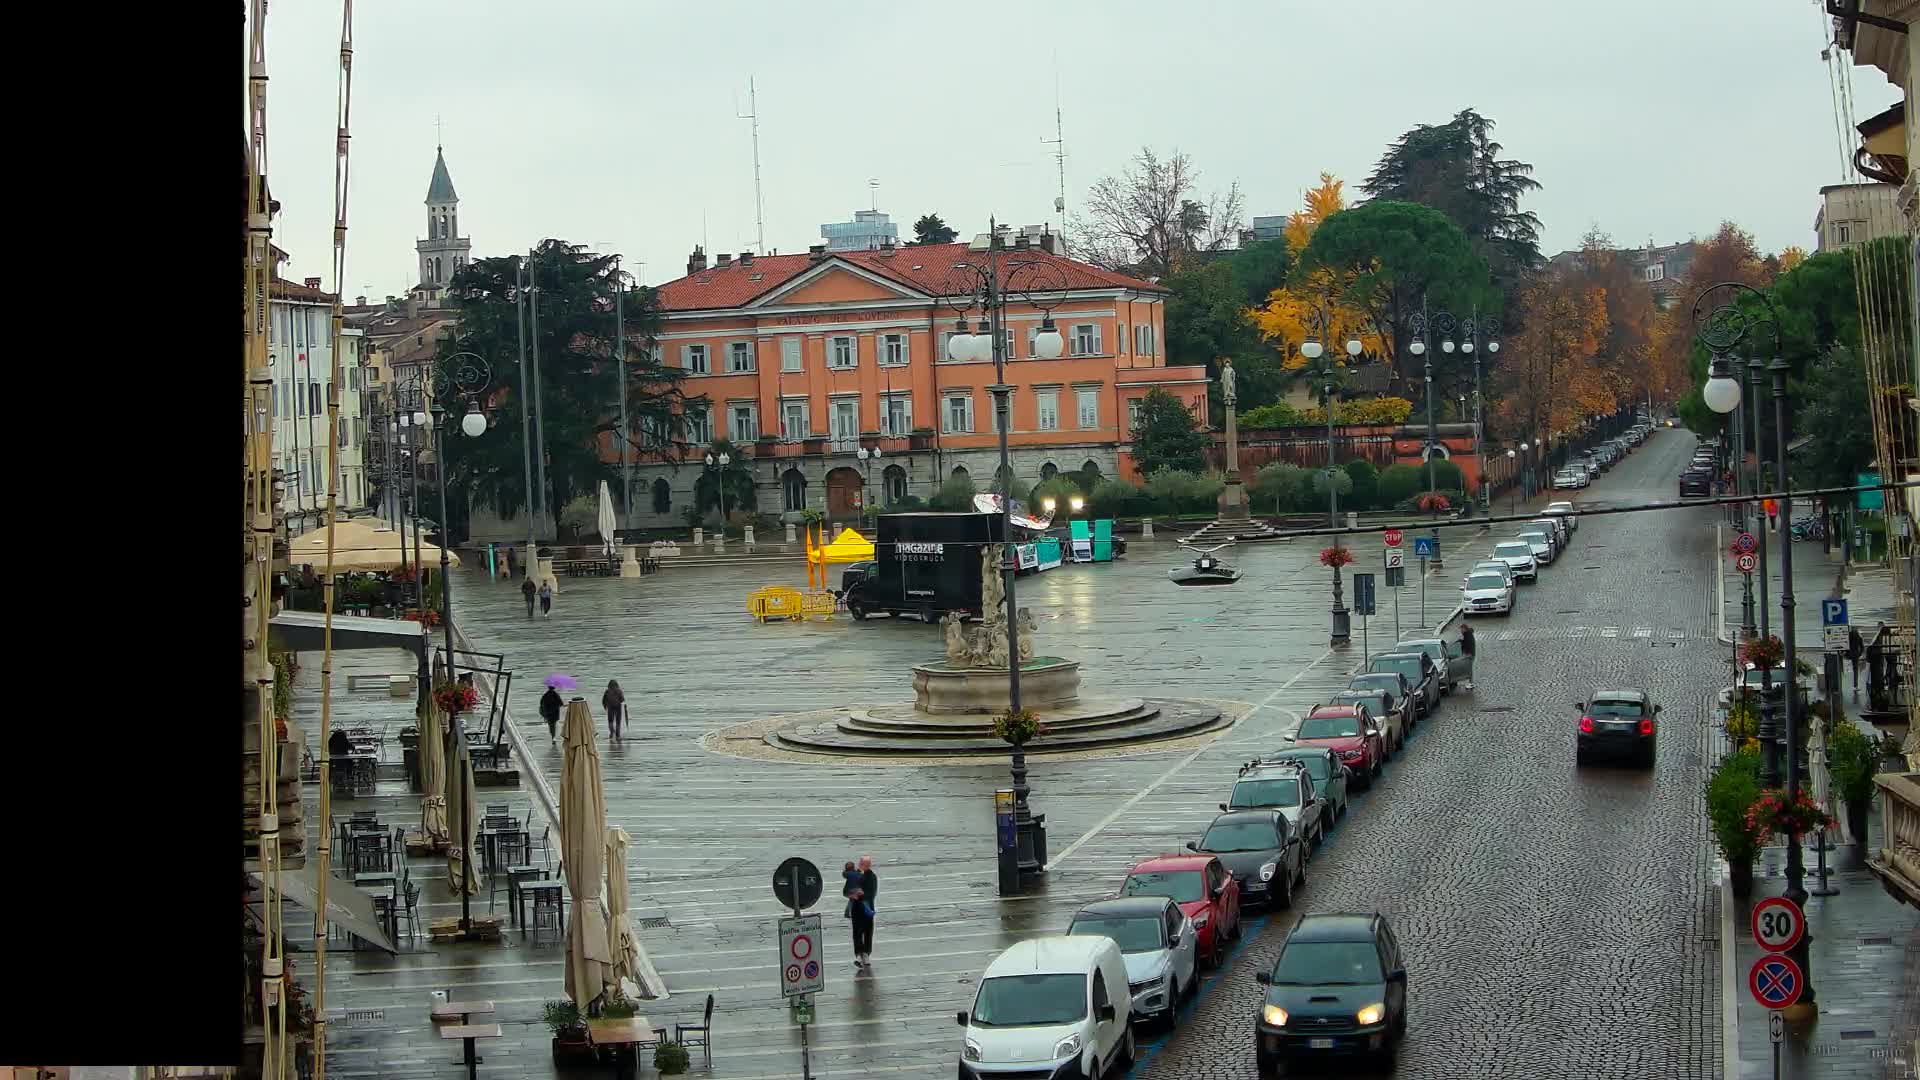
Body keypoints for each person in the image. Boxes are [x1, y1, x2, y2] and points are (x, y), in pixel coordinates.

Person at [851, 855, 878, 968]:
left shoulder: (872, 877)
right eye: (861, 863)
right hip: (856, 909)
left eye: (865, 864)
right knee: (857, 933)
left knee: (867, 932)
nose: (862, 866)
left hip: (867, 909)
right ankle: (858, 954)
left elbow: (872, 893)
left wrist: (862, 895)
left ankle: (866, 954)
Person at [1847, 625, 1865, 698]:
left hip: (1849, 653)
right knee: (1855, 669)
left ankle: (1855, 684)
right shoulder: (1859, 637)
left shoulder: (1849, 635)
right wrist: (1859, 654)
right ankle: (1855, 685)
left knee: (1854, 669)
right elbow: (1862, 647)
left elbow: (1845, 644)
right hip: (1856, 654)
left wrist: (1846, 652)